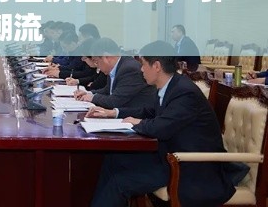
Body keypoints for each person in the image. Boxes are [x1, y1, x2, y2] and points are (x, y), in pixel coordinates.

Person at [86, 40, 239, 207]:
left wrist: (136, 123)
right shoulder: (170, 85)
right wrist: (115, 113)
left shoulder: (184, 92)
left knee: (120, 181)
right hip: (168, 156)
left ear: (157, 66)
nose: (141, 69)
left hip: (189, 167)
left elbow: (160, 128)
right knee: (113, 159)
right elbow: (148, 111)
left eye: (143, 64)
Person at [74, 38, 156, 109]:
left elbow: (115, 101)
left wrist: (92, 98)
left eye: (96, 61)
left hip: (137, 117)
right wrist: (89, 93)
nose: (97, 66)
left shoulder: (129, 69)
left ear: (106, 57)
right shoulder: (116, 66)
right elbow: (108, 90)